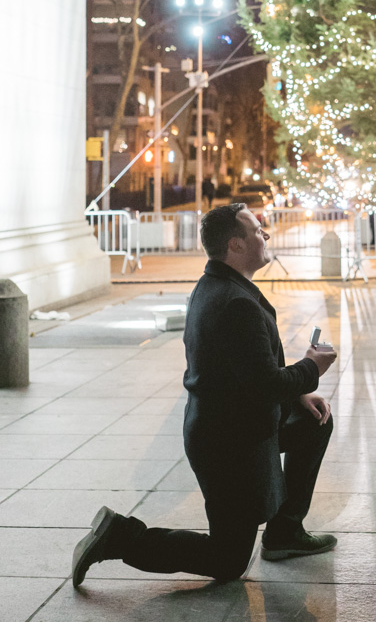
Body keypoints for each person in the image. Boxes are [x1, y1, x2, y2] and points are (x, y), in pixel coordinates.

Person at [72, 203, 338, 587]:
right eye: (256, 231)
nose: (265, 234)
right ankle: (119, 536)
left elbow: (245, 371)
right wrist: (313, 367)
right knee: (228, 559)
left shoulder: (219, 286)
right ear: (235, 245)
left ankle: (284, 533)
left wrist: (298, 397)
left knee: (314, 424)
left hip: (241, 427)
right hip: (229, 447)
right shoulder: (235, 304)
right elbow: (265, 385)